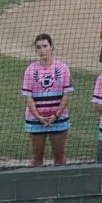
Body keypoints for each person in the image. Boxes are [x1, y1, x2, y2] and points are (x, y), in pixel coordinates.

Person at [21, 33, 73, 166]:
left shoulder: (63, 68)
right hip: (36, 121)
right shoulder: (30, 70)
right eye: (38, 47)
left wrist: (56, 115)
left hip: (59, 119)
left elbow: (66, 96)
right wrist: (38, 116)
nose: (42, 50)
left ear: (52, 47)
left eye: (45, 46)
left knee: (60, 156)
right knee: (36, 157)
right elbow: (28, 97)